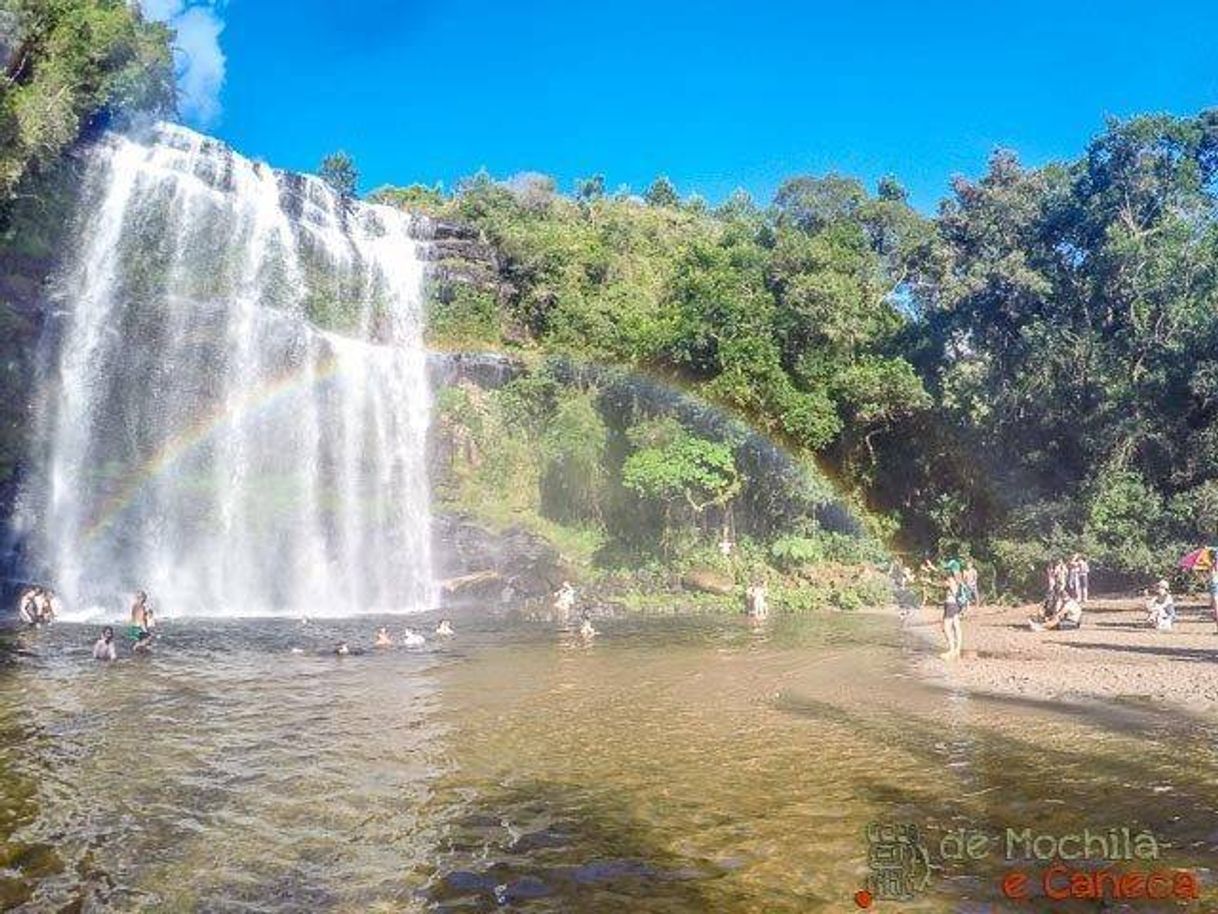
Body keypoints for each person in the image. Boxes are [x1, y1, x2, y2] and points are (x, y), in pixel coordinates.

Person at [940, 573, 963, 660]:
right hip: (955, 605)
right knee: (956, 626)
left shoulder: (951, 580)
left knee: (946, 628)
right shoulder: (957, 580)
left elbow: (945, 585)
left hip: (951, 605)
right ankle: (957, 649)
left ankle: (952, 650)